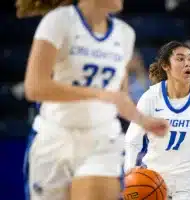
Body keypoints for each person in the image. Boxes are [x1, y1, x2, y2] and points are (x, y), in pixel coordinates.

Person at [17, 1, 169, 200]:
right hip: (54, 137)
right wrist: (97, 94)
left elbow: (119, 97)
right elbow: (35, 87)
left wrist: (143, 120)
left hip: (102, 139)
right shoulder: (58, 21)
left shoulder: (124, 34)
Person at [124, 41, 190, 200]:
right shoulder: (151, 97)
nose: (187, 63)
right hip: (153, 179)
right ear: (166, 66)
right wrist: (129, 173)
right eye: (180, 59)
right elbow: (132, 140)